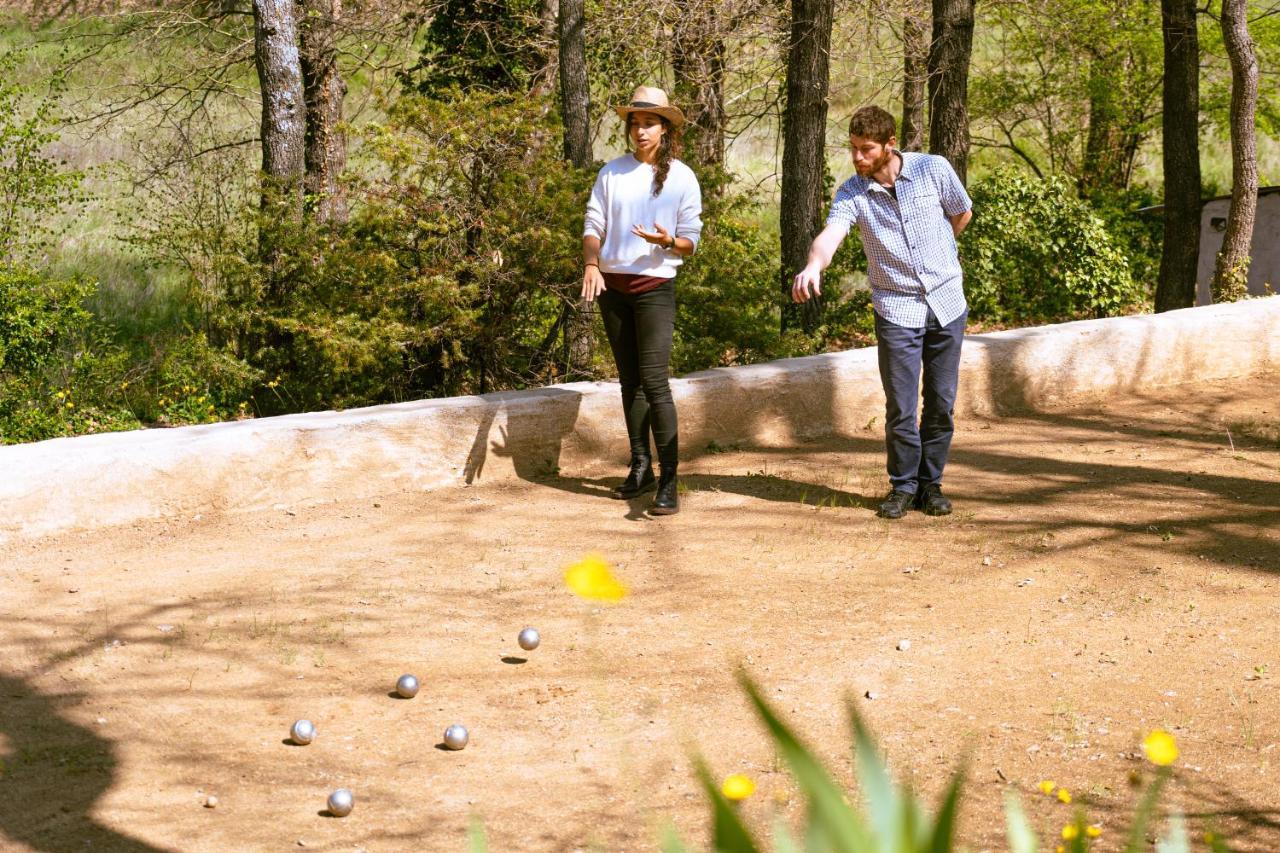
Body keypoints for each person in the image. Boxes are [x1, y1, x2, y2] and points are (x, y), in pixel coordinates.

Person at [793, 105, 973, 519]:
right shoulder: (852, 193)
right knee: (901, 406)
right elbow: (831, 234)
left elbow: (960, 212)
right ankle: (903, 486)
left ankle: (932, 486)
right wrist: (813, 265)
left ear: (890, 145)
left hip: (946, 303)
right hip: (896, 309)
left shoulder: (933, 169)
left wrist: (941, 253)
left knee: (942, 402)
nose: (857, 158)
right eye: (853, 149)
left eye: (866, 149)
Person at [581, 86, 703, 515]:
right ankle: (640, 467)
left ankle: (670, 478)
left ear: (666, 128)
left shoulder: (683, 177)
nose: (640, 130)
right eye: (635, 123)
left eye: (649, 123)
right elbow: (593, 224)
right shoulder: (611, 173)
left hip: (654, 289)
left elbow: (690, 242)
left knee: (654, 382)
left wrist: (668, 240)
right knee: (629, 383)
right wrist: (592, 265)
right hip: (612, 289)